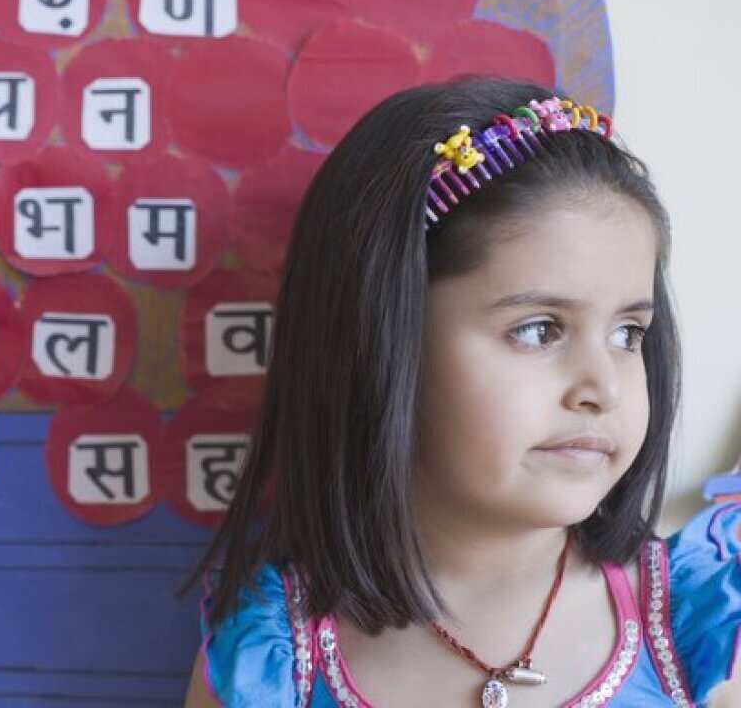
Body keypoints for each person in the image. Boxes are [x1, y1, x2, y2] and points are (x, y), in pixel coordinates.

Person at [180, 76, 740, 707]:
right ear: (381, 341)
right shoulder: (267, 667)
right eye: (538, 330)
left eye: (628, 333)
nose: (603, 388)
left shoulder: (709, 636)